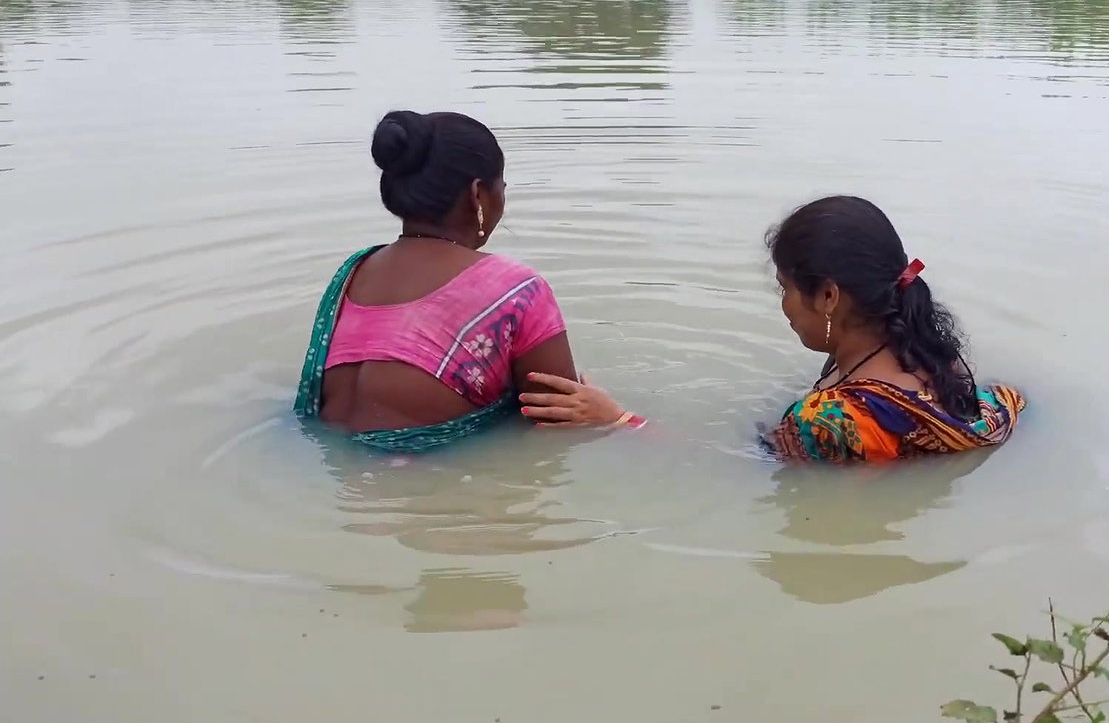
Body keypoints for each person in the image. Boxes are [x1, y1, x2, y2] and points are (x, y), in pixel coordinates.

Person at [520, 195, 1025, 463]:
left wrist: (618, 419)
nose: (783, 306)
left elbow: (726, 473)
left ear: (828, 295)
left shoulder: (830, 421)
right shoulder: (931, 352)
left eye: (786, 287)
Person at [293, 110, 639, 452]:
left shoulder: (353, 273)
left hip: (329, 474)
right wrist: (616, 418)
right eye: (501, 187)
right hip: (433, 496)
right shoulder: (517, 291)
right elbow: (560, 426)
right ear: (478, 194)